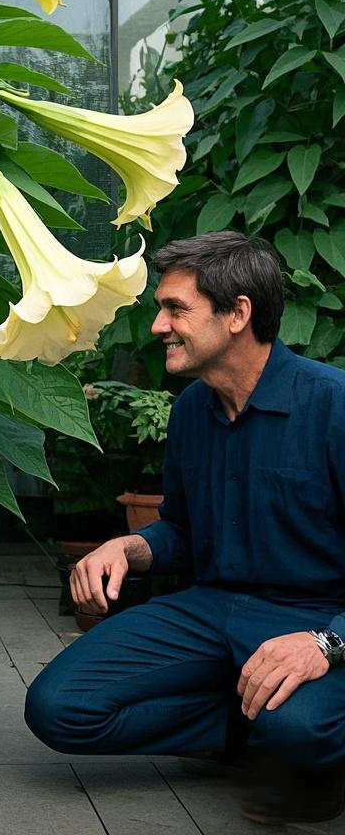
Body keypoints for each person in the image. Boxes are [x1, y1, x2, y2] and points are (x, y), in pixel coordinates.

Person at [24, 231, 345, 825]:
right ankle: (253, 732)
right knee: (58, 708)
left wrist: (326, 643)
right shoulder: (194, 409)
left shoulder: (334, 405)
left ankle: (303, 750)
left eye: (176, 309)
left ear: (237, 315)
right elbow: (182, 533)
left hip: (318, 617)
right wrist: (128, 546)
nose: (158, 326)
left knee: (302, 729)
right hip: (212, 611)